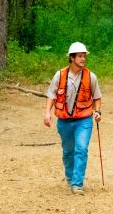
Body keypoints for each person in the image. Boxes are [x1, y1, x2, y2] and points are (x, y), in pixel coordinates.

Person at [43, 42, 102, 195]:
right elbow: (51, 95)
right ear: (72, 58)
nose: (83, 59)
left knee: (81, 149)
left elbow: (97, 97)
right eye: (80, 56)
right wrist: (47, 112)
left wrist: (98, 112)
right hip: (64, 121)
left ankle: (77, 184)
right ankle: (70, 177)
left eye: (84, 56)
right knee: (68, 152)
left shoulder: (91, 76)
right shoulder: (60, 75)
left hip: (84, 120)